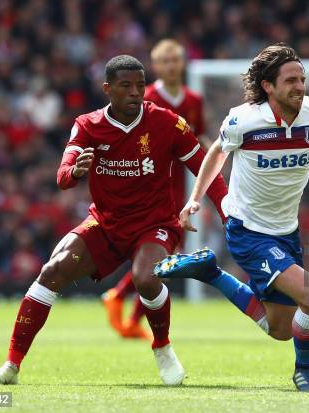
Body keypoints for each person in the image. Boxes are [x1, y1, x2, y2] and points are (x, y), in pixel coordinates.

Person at [0, 55, 228, 385]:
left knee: (146, 276)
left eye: (140, 86)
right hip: (107, 223)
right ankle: (11, 365)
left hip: (154, 223)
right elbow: (63, 176)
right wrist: (74, 171)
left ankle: (163, 348)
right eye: (125, 86)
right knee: (52, 270)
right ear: (108, 89)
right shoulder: (87, 125)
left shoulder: (167, 122)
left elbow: (206, 168)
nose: (135, 93)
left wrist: (227, 214)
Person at [154, 44, 309, 392]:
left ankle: (211, 273)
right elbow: (216, 154)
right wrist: (194, 199)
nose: (300, 86)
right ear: (268, 86)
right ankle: (306, 372)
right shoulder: (244, 120)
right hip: (248, 231)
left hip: (286, 230)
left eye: (302, 79)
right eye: (291, 80)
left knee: (280, 328)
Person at [102, 39, 208, 340]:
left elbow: (197, 139)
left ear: (183, 63)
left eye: (176, 60)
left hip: (181, 183)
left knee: (166, 253)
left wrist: (218, 154)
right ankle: (123, 300)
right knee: (162, 252)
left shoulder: (194, 100)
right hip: (152, 182)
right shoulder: (145, 97)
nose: (172, 66)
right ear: (156, 66)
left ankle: (125, 305)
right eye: (166, 61)